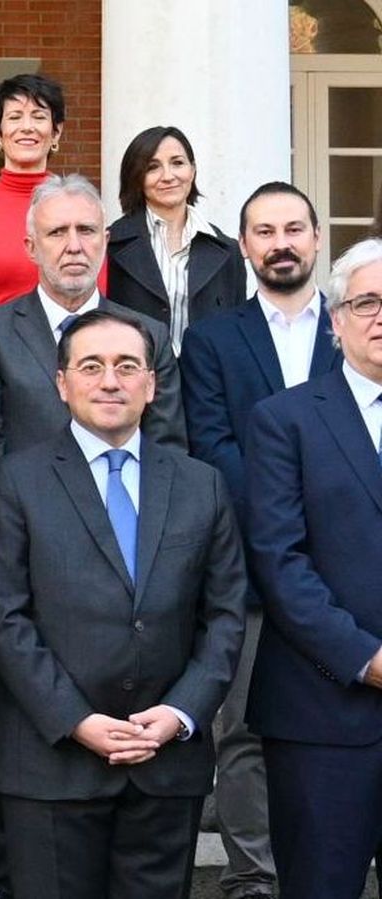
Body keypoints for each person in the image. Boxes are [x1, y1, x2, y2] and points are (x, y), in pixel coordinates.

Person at [0, 306, 245, 897]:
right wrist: (75, 719)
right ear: (61, 382)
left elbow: (224, 616)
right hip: (52, 765)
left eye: (128, 366)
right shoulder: (13, 482)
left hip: (165, 765)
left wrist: (180, 713)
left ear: (152, 384)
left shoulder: (201, 484)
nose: (110, 380)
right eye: (91, 365)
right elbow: (2, 616)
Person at [178, 181, 335, 899]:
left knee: (346, 728)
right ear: (244, 246)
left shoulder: (356, 328)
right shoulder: (211, 339)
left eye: (293, 228)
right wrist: (283, 527)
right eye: (264, 231)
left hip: (348, 573)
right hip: (243, 567)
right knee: (242, 730)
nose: (281, 242)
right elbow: (211, 444)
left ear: (316, 236)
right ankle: (252, 877)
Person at [244, 237, 382, 898]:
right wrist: (366, 656)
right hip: (324, 716)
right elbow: (279, 559)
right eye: (367, 302)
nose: (381, 316)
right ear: (336, 320)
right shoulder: (283, 420)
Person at [0, 174, 184, 458]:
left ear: (105, 240)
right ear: (31, 248)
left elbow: (167, 453)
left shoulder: (149, 335)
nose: (74, 246)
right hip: (27, 500)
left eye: (86, 230)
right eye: (57, 232)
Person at [0, 74, 101, 312]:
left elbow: (96, 295)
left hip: (73, 343)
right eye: (15, 117)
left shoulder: (82, 205)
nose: (27, 127)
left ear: (56, 132)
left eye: (39, 117)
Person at [107, 126, 246, 351]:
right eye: (152, 167)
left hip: (208, 382)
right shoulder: (109, 245)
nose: (168, 176)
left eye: (178, 163)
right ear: (136, 177)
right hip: (134, 379)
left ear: (192, 170)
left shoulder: (228, 251)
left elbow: (237, 332)